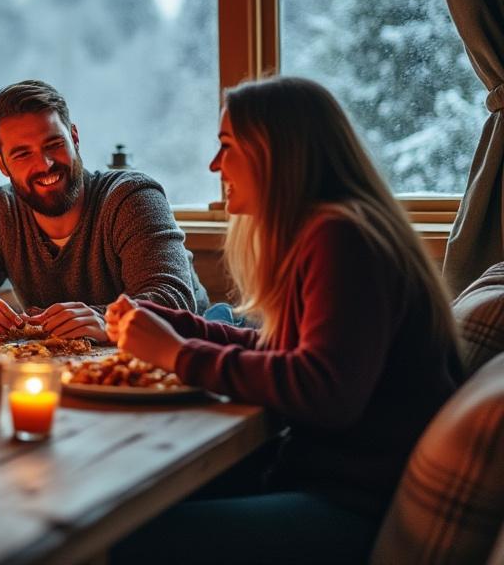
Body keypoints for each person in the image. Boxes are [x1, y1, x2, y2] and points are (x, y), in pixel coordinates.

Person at [109, 76, 463, 564]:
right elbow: (284, 351)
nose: (214, 164)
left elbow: (323, 390)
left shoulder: (342, 238)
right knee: (128, 499)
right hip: (321, 478)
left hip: (350, 507)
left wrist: (174, 353)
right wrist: (175, 324)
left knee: (121, 538)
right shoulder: (330, 229)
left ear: (275, 153)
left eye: (227, 146)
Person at [0, 80, 208, 340]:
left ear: (75, 138)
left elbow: (174, 301)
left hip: (180, 359)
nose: (44, 164)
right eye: (22, 154)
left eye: (53, 144)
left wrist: (106, 320)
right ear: (1, 164)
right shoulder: (1, 212)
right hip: (62, 375)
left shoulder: (130, 197)